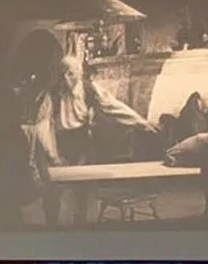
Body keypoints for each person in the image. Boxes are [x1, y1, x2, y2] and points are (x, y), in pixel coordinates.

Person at [23, 55, 157, 225]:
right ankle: (52, 227)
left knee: (81, 192)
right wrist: (53, 154)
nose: (65, 78)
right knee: (53, 192)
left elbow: (114, 107)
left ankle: (80, 227)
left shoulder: (90, 89)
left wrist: (142, 123)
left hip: (81, 144)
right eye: (62, 73)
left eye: (70, 74)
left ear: (79, 74)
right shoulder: (53, 93)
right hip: (58, 143)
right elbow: (42, 125)